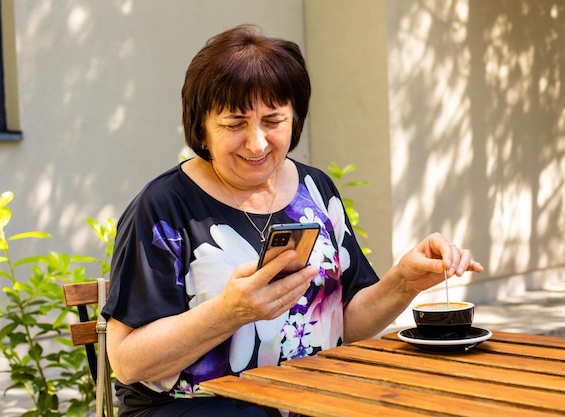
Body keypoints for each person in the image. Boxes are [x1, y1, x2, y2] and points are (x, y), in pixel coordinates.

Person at [102, 24, 484, 417]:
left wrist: (403, 282)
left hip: (310, 398)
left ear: (294, 120)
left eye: (273, 121)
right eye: (235, 124)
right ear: (201, 126)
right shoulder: (163, 206)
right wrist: (229, 312)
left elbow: (345, 325)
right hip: (199, 407)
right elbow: (129, 362)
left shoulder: (315, 189)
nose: (257, 142)